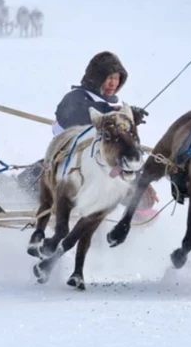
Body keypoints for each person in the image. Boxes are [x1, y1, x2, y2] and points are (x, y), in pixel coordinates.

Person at [14, 51, 159, 221]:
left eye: (117, 78)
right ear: (97, 78)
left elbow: (126, 150)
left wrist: (142, 180)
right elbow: (77, 117)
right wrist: (114, 115)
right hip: (68, 164)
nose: (113, 83)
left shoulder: (116, 106)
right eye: (109, 77)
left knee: (142, 199)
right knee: (29, 188)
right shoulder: (75, 99)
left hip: (106, 169)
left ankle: (127, 226)